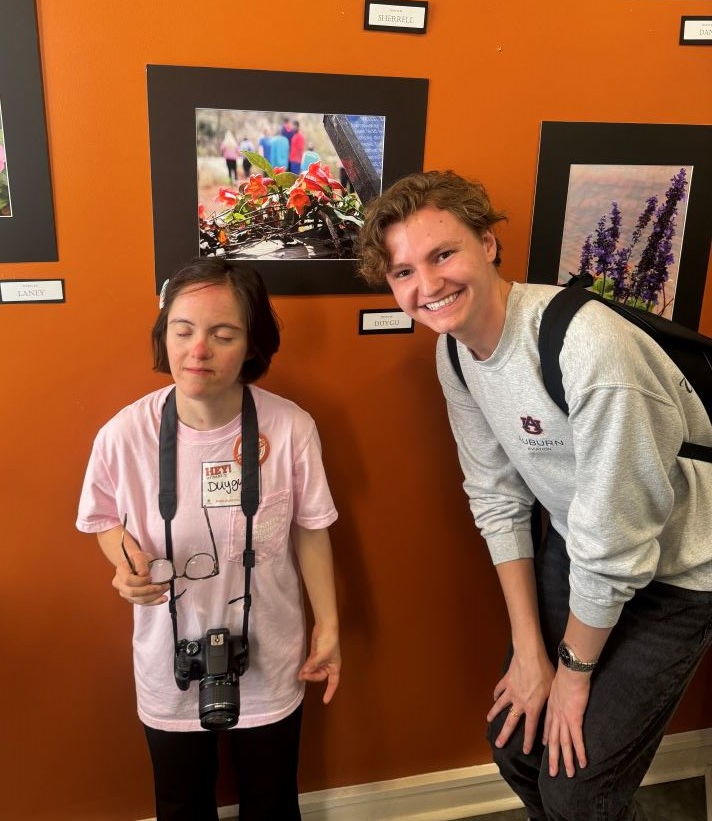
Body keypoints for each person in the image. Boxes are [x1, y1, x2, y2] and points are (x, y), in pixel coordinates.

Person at [357, 170, 712, 821]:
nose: (427, 287)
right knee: (518, 743)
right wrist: (529, 652)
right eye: (403, 271)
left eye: (443, 254)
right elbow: (495, 496)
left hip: (680, 568)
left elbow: (620, 538)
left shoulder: (587, 349)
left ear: (487, 244)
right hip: (581, 544)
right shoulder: (456, 353)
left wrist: (571, 676)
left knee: (577, 786)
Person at [76, 257, 341, 821]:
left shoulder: (291, 427)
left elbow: (311, 529)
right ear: (164, 334)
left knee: (272, 802)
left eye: (223, 335)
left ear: (251, 345)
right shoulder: (124, 434)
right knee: (179, 804)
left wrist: (330, 628)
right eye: (183, 330)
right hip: (165, 654)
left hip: (272, 650)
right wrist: (128, 566)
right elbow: (102, 519)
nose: (199, 350)